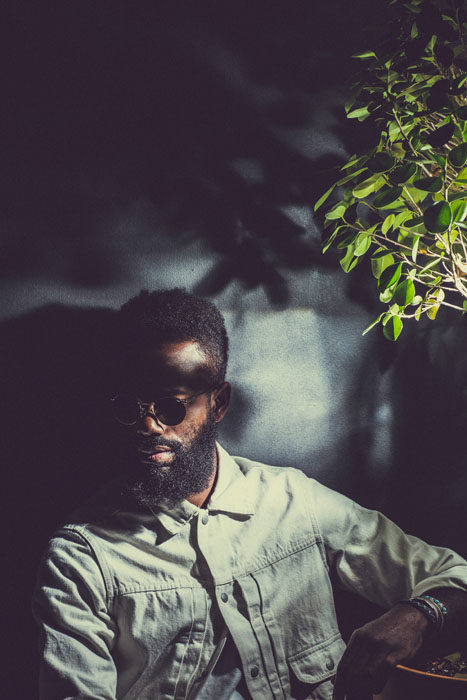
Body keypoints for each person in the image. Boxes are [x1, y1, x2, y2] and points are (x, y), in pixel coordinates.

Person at [32, 288, 467, 700]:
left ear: (218, 404)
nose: (148, 427)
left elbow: (454, 575)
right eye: (130, 407)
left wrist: (419, 614)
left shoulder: (295, 502)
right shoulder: (81, 560)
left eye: (170, 407)